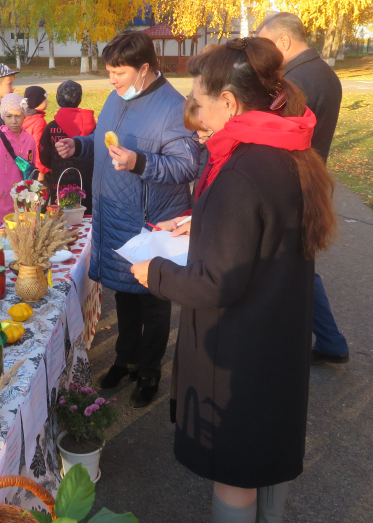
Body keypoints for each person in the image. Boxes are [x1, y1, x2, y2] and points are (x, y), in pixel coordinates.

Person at [131, 37, 336, 523]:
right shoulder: (287, 146)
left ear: (228, 102)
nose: (196, 117)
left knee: (236, 471)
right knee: (268, 459)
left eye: (199, 104)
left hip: (239, 351)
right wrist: (199, 222)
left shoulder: (242, 169)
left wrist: (154, 272)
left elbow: (215, 283)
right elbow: (258, 234)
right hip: (277, 338)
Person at [56, 31, 199, 408]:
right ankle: (126, 358)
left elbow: (187, 166)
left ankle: (149, 371)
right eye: (109, 72)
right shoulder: (117, 96)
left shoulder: (173, 107)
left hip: (151, 223)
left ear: (145, 69)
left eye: (118, 72)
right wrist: (80, 145)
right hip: (115, 215)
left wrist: (139, 162)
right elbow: (106, 141)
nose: (112, 80)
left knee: (153, 299)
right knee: (125, 294)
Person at [257, 12, 349, 365]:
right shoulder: (324, 72)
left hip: (293, 185)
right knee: (297, 263)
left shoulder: (295, 80)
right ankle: (331, 340)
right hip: (309, 180)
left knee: (287, 266)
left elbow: (274, 136)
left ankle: (324, 340)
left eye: (267, 44)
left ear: (283, 41)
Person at [0, 94, 37, 236]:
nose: (14, 121)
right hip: (0, 201)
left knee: (22, 242)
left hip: (23, 202)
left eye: (18, 116)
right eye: (9, 116)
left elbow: (31, 167)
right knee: (0, 241)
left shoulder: (30, 140)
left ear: (24, 116)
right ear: (3, 116)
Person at [39, 80, 96, 212]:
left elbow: (44, 158)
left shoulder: (51, 127)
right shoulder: (93, 127)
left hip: (60, 185)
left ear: (58, 99)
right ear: (79, 99)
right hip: (88, 185)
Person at [22, 85, 50, 179]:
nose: (48, 101)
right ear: (38, 101)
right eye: (45, 98)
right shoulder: (39, 122)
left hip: (26, 165)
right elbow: (38, 147)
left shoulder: (25, 118)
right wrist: (41, 171)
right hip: (36, 169)